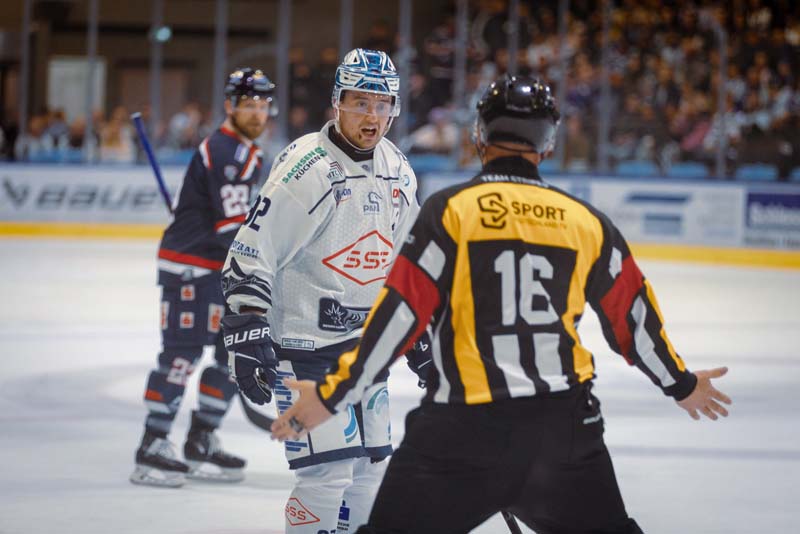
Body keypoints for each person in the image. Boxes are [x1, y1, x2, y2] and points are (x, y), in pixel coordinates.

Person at [271, 74, 733, 533]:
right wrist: (680, 383)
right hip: (564, 429)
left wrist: (332, 395)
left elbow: (398, 318)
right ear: (548, 145)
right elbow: (633, 319)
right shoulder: (586, 221)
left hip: (460, 426)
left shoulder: (450, 211)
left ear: (479, 136)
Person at [219, 48, 430, 533]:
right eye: (360, 102)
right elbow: (250, 251)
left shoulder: (397, 168)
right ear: (338, 102)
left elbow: (407, 261)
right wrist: (247, 326)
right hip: (303, 348)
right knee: (327, 473)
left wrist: (419, 332)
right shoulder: (307, 167)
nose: (372, 116)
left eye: (382, 104)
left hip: (364, 351)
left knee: (370, 471)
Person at [130, 67, 277, 488]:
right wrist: (265, 269)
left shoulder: (243, 151)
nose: (257, 112)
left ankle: (201, 439)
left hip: (218, 269)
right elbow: (233, 230)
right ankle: (152, 444)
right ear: (230, 106)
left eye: (263, 104)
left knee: (231, 355)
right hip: (192, 269)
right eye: (248, 104)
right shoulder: (228, 151)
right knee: (182, 355)